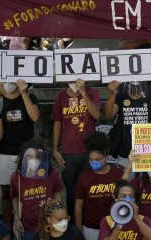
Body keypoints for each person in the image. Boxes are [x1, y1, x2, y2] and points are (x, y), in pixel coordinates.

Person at [0, 79, 39, 230]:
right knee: (6, 192)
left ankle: (27, 225)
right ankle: (7, 227)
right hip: (4, 154)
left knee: (28, 190)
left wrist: (23, 93)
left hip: (27, 154)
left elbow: (35, 117)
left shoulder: (30, 98)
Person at [52, 78, 100, 220]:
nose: (73, 81)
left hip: (89, 152)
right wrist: (55, 149)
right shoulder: (60, 96)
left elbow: (97, 115)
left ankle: (89, 221)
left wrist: (83, 93)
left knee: (91, 190)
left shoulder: (92, 93)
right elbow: (57, 123)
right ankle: (74, 225)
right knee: (71, 193)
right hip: (68, 153)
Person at [104, 80, 151, 170]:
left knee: (146, 181)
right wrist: (112, 94)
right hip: (125, 149)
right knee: (126, 181)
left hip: (147, 149)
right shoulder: (121, 88)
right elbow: (108, 115)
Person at [74, 132, 124, 240]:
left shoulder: (117, 174)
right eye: (91, 159)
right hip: (90, 228)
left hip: (113, 226)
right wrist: (79, 230)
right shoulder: (83, 177)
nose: (94, 163)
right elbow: (78, 206)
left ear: (105, 157)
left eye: (97, 159)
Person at [10, 140, 63, 240]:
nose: (33, 160)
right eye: (30, 157)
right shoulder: (16, 177)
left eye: (37, 157)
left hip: (49, 225)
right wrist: (16, 218)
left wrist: (59, 219)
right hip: (28, 227)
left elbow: (57, 195)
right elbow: (14, 197)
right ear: (23, 158)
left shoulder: (52, 173)